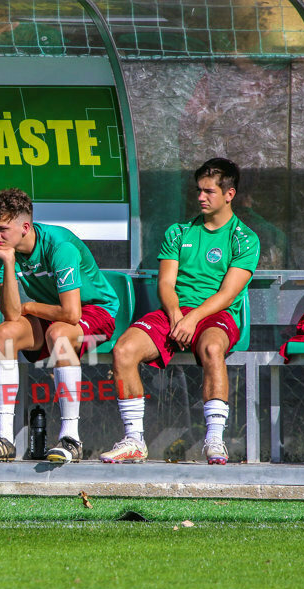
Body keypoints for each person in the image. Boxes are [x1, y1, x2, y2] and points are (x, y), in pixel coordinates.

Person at [101, 158, 259, 464]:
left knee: (213, 347)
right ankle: (134, 440)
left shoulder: (245, 238)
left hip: (214, 315)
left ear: (229, 194)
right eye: (198, 190)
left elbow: (228, 294)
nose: (201, 197)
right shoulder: (178, 232)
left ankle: (214, 440)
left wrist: (193, 318)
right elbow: (165, 283)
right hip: (175, 314)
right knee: (123, 350)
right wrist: (175, 315)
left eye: (209, 191)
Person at [0, 188, 119, 463]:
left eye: (2, 229)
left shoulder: (58, 245)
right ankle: (3, 438)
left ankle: (71, 438)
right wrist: (8, 261)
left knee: (59, 334)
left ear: (25, 227)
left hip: (96, 311)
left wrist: (29, 307)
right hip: (53, 312)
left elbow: (71, 313)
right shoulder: (3, 252)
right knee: (4, 334)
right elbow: (12, 315)